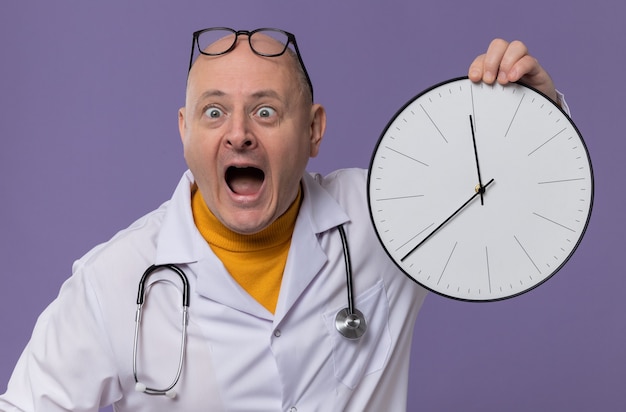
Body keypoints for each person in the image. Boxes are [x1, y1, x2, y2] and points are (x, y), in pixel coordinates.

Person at [0, 28, 563, 411]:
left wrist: (536, 116)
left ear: (314, 130)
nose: (240, 132)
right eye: (214, 111)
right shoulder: (113, 281)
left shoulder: (387, 215)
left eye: (266, 111)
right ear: (183, 131)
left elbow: (521, 198)